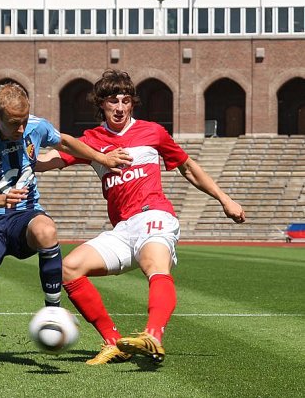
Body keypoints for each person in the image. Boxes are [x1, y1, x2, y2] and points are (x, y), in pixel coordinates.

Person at [37, 69, 246, 365]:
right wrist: (18, 156)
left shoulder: (153, 132)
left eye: (126, 101)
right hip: (122, 230)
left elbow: (188, 168)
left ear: (132, 103)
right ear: (101, 104)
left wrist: (225, 199)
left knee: (154, 264)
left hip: (154, 215)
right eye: (113, 101)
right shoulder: (91, 140)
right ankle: (113, 342)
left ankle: (153, 336)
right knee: (68, 268)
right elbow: (49, 161)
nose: (120, 107)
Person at [0, 82, 131, 367]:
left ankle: (53, 314)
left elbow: (65, 142)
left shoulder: (35, 125)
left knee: (46, 230)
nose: (22, 128)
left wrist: (101, 157)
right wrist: (2, 199)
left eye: (24, 120)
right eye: (14, 123)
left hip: (24, 215)